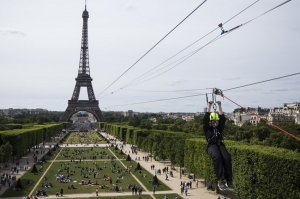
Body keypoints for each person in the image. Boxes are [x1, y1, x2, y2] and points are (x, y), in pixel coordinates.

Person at [203, 101, 234, 191]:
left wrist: (220, 106)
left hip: (220, 144)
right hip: (211, 145)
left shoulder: (219, 128)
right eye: (213, 122)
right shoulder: (207, 129)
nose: (215, 123)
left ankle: (229, 180)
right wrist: (209, 106)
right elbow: (205, 119)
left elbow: (222, 118)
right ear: (210, 122)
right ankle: (220, 180)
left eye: (216, 122)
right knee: (217, 157)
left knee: (227, 158)